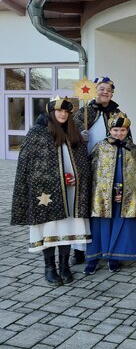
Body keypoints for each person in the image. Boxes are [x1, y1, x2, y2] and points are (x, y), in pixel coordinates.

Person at [11, 96, 91, 286]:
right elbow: (29, 167)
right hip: (46, 194)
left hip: (71, 192)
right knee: (50, 227)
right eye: (59, 111)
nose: (63, 114)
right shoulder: (38, 133)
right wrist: (57, 179)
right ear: (51, 112)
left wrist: (76, 178)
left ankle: (64, 266)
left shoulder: (73, 133)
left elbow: (82, 164)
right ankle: (49, 268)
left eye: (66, 112)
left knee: (67, 228)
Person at [85, 113, 136, 275]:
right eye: (115, 130)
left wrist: (128, 193)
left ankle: (114, 257)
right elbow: (92, 172)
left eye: (122, 130)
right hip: (102, 197)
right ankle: (93, 259)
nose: (119, 133)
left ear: (127, 130)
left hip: (124, 197)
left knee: (119, 225)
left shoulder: (133, 149)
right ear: (110, 130)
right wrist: (104, 192)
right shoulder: (100, 147)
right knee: (100, 226)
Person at [72, 76, 122, 264]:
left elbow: (125, 139)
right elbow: (70, 135)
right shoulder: (84, 112)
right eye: (101, 89)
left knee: (104, 208)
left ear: (112, 93)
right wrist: (79, 136)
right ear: (94, 91)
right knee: (83, 207)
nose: (104, 92)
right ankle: (79, 249)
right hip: (85, 166)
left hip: (108, 170)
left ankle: (106, 246)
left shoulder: (117, 113)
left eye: (108, 90)